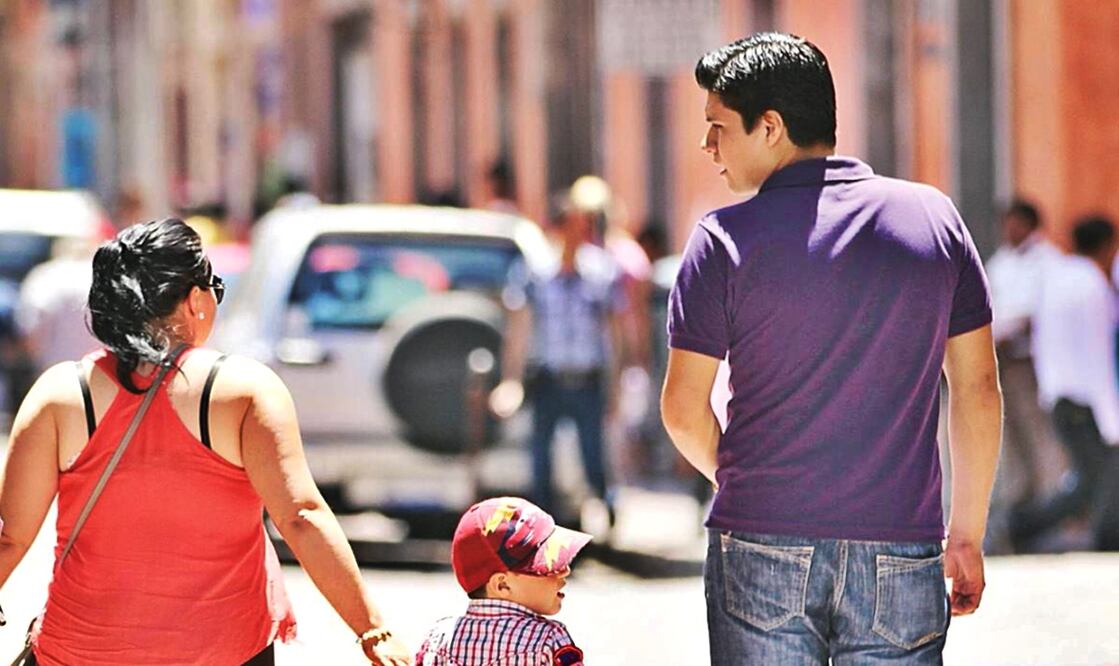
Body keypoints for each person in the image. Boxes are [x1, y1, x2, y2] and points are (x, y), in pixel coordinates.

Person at [661, 32, 1001, 664]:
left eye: (717, 127)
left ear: (770, 127)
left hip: (761, 541)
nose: (706, 146)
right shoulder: (934, 220)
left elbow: (682, 411)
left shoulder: (722, 240)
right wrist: (968, 532)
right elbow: (977, 387)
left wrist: (749, 484)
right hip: (902, 550)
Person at [0, 218, 411, 665]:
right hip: (223, 652)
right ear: (195, 299)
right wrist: (372, 630)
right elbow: (301, 518)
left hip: (79, 652)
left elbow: (10, 537)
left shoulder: (60, 393)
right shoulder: (242, 391)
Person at [491, 193, 624, 526]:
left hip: (587, 376)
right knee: (540, 457)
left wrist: (618, 381)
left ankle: (606, 508)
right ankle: (545, 524)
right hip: (548, 377)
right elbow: (520, 329)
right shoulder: (536, 272)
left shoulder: (601, 270)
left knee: (594, 453)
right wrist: (512, 380)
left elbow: (614, 331)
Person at [1012, 215, 1119, 551]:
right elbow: (1096, 351)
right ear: (1106, 245)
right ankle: (1022, 525)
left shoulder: (1058, 278)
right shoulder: (1091, 284)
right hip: (1083, 398)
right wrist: (1110, 416)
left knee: (1091, 476)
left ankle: (1023, 526)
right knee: (1098, 476)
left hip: (1060, 393)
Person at [415, 497, 589, 665]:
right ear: (502, 585)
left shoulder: (437, 638)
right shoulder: (549, 639)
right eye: (548, 566)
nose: (565, 571)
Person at [983, 200, 1063, 539]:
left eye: (1016, 223)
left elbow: (1039, 314)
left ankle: (1053, 503)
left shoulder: (1048, 262)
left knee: (1038, 432)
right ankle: (1020, 506)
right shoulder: (1000, 262)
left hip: (1028, 362)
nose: (1010, 229)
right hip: (1000, 359)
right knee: (1008, 434)